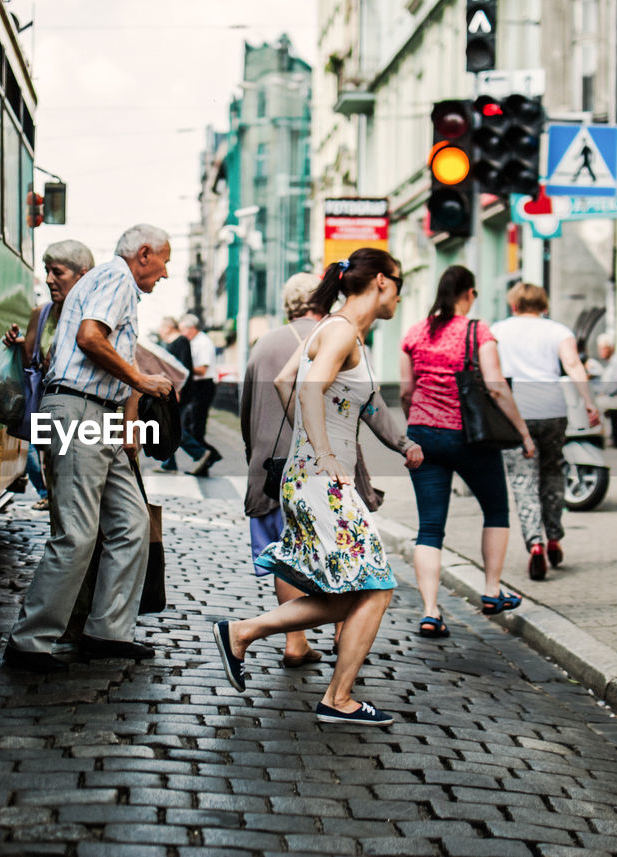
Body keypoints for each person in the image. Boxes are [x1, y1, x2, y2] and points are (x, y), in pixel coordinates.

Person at [213, 248, 415, 727]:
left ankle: (242, 633)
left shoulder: (336, 330)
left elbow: (286, 380)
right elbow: (305, 389)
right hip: (323, 481)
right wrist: (323, 452)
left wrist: (318, 433)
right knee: (377, 586)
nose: (399, 297)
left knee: (352, 592)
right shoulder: (342, 330)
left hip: (307, 479)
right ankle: (338, 699)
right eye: (400, 285)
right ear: (382, 282)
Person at [3, 224, 175, 671]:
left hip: (100, 414)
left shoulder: (114, 283)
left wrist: (127, 422)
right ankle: (29, 640)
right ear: (143, 254)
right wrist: (140, 380)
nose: (166, 273)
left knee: (132, 523)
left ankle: (106, 631)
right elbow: (89, 337)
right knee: (77, 533)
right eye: (164, 261)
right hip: (81, 411)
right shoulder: (116, 278)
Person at [240, 272, 422, 667]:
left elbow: (253, 403)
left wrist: (258, 450)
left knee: (293, 557)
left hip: (275, 470)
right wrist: (398, 444)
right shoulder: (340, 335)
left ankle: (295, 642)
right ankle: (341, 644)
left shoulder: (266, 343)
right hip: (326, 470)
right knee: (360, 577)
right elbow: (369, 404)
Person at [400, 265, 534, 637]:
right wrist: (523, 433)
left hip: (424, 435)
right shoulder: (478, 331)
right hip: (469, 438)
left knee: (429, 527)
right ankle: (491, 591)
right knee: (495, 509)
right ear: (469, 294)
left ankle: (430, 611)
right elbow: (495, 387)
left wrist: (417, 426)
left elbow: (407, 391)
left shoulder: (416, 332)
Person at [492, 284, 600, 580]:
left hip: (516, 413)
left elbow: (491, 372)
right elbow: (574, 365)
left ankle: (535, 544)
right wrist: (589, 402)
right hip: (553, 411)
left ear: (513, 305)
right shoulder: (558, 331)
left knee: (523, 480)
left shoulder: (497, 331)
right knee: (553, 474)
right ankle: (554, 537)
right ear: (544, 305)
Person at [3, 240, 95, 511]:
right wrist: (17, 345)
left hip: (86, 422)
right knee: (61, 497)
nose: (49, 280)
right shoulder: (41, 313)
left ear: (83, 275)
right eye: (47, 271)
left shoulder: (95, 315)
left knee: (83, 502)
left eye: (58, 272)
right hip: (52, 417)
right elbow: (29, 365)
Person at [181, 314, 222, 476]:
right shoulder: (194, 342)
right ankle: (205, 457)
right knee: (191, 425)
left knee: (196, 426)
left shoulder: (203, 343)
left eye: (184, 329)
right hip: (196, 386)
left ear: (191, 328)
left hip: (203, 385)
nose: (183, 333)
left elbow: (202, 369)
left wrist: (183, 367)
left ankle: (208, 456)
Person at [155, 316, 196, 473]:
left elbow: (183, 367)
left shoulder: (181, 341)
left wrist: (177, 390)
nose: (160, 331)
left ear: (168, 327)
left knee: (171, 425)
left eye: (161, 327)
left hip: (178, 391)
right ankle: (168, 462)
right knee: (167, 424)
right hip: (171, 390)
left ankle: (199, 452)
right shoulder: (168, 343)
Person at [588, 333, 617, 447]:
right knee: (594, 402)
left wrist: (602, 393)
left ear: (611, 348)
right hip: (611, 396)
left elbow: (616, 386)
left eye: (603, 348)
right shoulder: (609, 363)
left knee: (593, 404)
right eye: (599, 348)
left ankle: (598, 436)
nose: (600, 351)